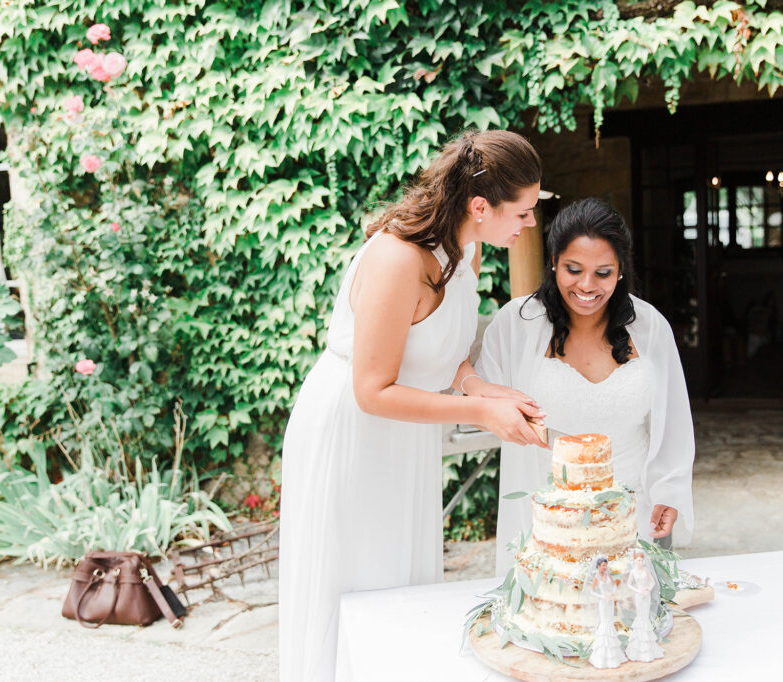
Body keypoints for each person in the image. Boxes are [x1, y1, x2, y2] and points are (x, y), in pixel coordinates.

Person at [278, 130, 546, 682]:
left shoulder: (465, 247)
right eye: (521, 211)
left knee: (401, 585)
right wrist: (479, 415)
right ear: (480, 206)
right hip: (353, 431)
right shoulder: (398, 259)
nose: (529, 225)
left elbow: (437, 348)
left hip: (403, 437)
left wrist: (477, 386)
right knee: (355, 582)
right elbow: (372, 389)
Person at [476, 197, 695, 576]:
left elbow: (674, 420)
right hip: (547, 522)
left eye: (603, 273)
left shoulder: (651, 326)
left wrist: (669, 493)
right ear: (553, 263)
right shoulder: (516, 324)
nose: (587, 287)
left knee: (630, 621)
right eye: (573, 270)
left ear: (621, 270)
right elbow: (479, 399)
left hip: (632, 517)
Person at [585, 556, 627, 669]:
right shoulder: (596, 577)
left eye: (606, 565)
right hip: (603, 603)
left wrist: (612, 593)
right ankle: (602, 655)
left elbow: (613, 586)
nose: (605, 567)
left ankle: (614, 654)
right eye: (603, 565)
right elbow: (592, 591)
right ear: (598, 566)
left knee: (610, 622)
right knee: (605, 623)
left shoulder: (608, 575)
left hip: (610, 602)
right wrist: (603, 596)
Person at [625, 549, 665, 662]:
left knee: (645, 617)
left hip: (646, 596)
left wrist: (648, 589)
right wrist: (637, 590)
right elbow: (629, 584)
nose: (640, 562)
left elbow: (652, 582)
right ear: (635, 561)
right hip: (638, 596)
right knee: (640, 617)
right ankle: (638, 646)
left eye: (642, 560)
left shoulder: (646, 570)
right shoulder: (633, 571)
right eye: (638, 560)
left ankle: (648, 645)